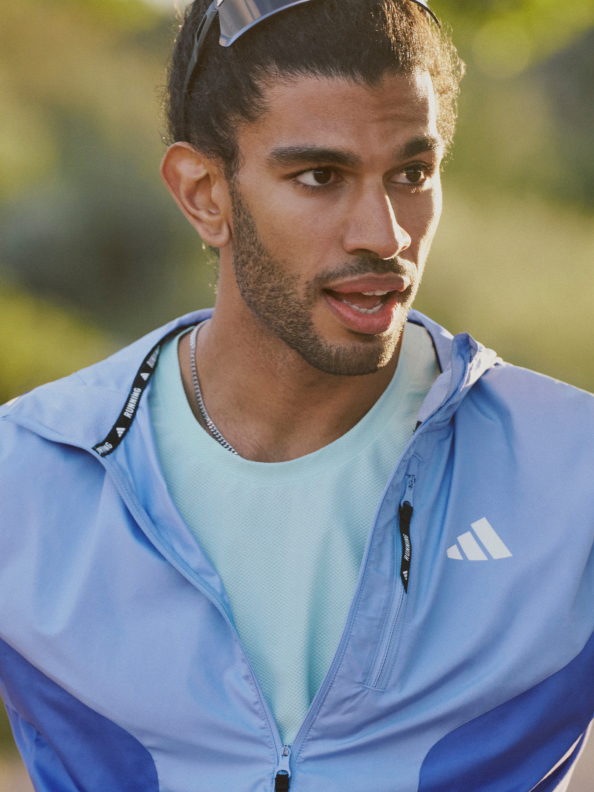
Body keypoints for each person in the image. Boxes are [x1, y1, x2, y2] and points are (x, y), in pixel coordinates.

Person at [1, 0, 594, 790]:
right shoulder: (28, 473)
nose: (384, 234)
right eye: (320, 176)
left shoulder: (573, 472)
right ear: (204, 193)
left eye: (413, 174)